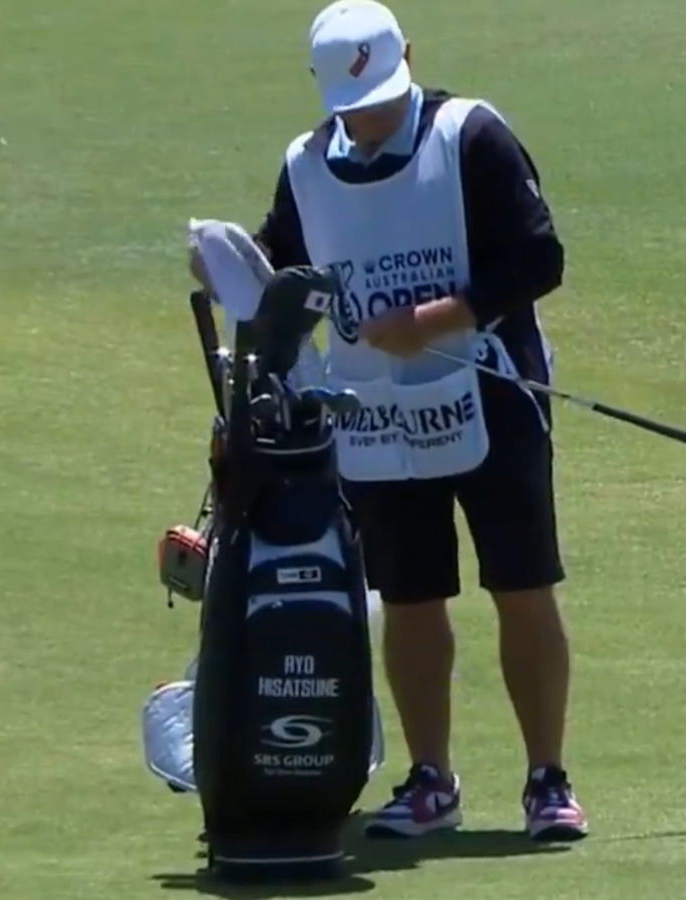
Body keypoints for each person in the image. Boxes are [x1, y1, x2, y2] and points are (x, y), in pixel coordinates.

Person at [188, 0, 587, 842]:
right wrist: (227, 268)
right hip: (373, 417)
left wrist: (437, 318)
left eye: (377, 101)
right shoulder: (305, 165)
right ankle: (430, 780)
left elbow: (538, 257)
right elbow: (284, 274)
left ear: (407, 57)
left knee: (520, 585)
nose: (364, 123)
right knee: (409, 599)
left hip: (493, 396)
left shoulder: (471, 137)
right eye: (349, 108)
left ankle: (548, 780)